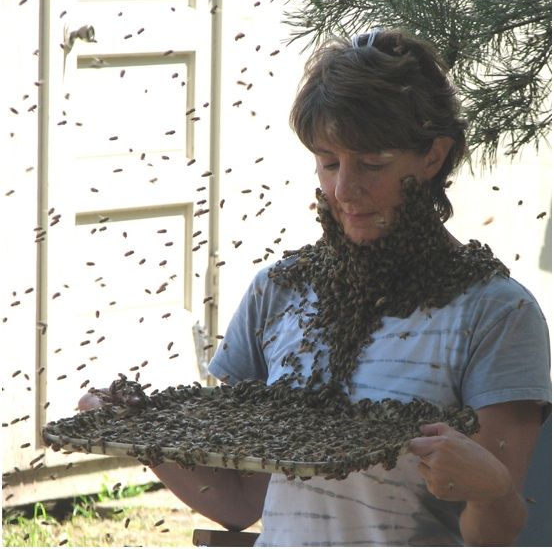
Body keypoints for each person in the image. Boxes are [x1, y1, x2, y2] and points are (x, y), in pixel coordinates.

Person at [79, 28, 551, 546]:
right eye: (329, 162)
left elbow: (500, 534)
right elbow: (240, 502)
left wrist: (493, 492)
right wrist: (142, 433)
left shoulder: (496, 315)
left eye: (373, 163)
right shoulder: (277, 293)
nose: (345, 190)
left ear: (434, 156)